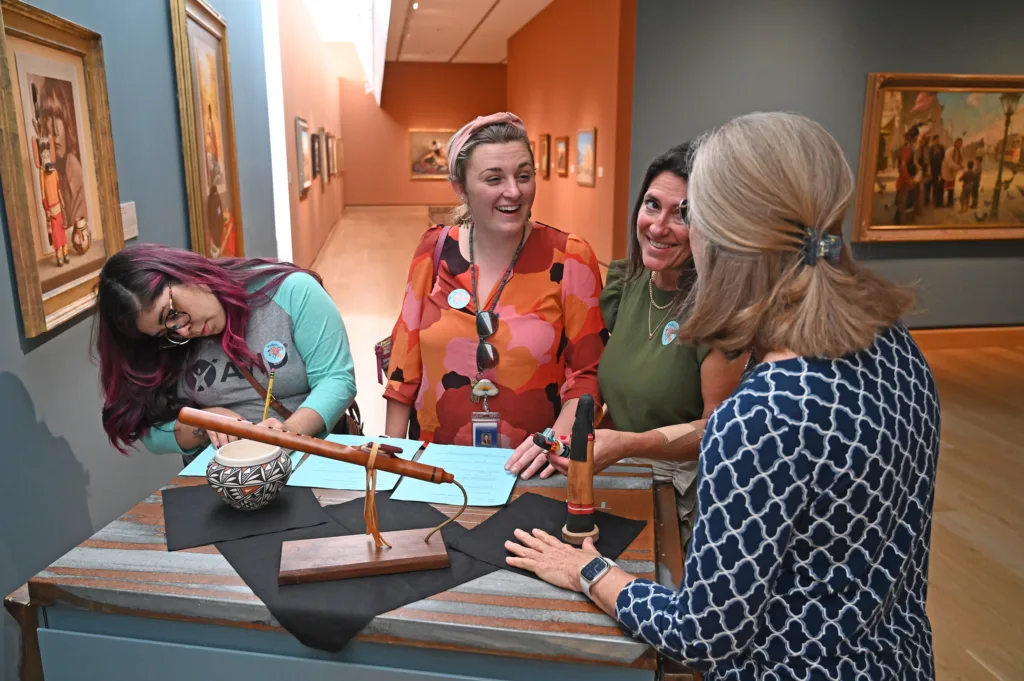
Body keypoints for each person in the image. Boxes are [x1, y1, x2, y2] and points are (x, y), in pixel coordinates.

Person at [507, 112, 939, 681]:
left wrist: (587, 571)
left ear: (723, 237)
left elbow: (702, 633)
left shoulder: (763, 413)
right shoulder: (895, 343)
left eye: (694, 218)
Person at [542, 143, 745, 551]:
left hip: (683, 500)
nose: (658, 226)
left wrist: (629, 444)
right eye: (652, 205)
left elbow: (718, 430)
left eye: (683, 214)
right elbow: (604, 386)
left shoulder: (719, 310)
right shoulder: (628, 283)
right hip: (620, 478)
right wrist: (574, 437)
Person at [384, 112, 605, 458]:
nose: (513, 191)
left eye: (524, 176)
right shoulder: (434, 250)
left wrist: (552, 448)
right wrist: (392, 459)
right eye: (494, 179)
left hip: (532, 469)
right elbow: (403, 366)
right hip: (433, 462)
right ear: (461, 188)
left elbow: (586, 374)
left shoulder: (570, 257)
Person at [96, 243, 357, 461]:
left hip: (311, 462)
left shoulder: (292, 291)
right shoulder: (172, 344)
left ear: (184, 272)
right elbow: (150, 431)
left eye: (172, 313)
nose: (182, 332)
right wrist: (203, 423)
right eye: (165, 333)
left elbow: (337, 380)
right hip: (220, 481)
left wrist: (287, 433)